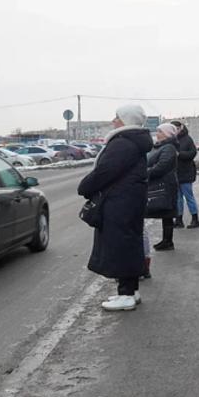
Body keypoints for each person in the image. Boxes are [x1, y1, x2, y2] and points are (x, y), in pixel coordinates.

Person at [78, 104, 152, 312]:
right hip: (128, 201)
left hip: (121, 203)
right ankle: (131, 290)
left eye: (117, 117)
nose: (113, 121)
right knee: (129, 243)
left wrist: (84, 187)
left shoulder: (123, 143)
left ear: (126, 120)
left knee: (120, 246)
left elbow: (105, 171)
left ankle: (126, 294)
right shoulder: (132, 141)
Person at [147, 123, 180, 252]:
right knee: (166, 214)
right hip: (163, 184)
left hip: (166, 184)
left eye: (160, 131)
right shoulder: (161, 147)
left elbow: (162, 166)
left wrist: (146, 172)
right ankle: (166, 240)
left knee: (167, 212)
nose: (157, 134)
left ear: (167, 134)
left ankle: (168, 241)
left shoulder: (169, 148)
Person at [170, 120, 199, 229]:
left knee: (189, 197)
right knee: (178, 198)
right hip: (175, 173)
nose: (174, 131)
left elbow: (193, 153)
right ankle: (179, 220)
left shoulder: (187, 139)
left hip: (186, 173)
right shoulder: (172, 140)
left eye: (176, 129)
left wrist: (179, 154)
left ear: (180, 128)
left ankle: (195, 219)